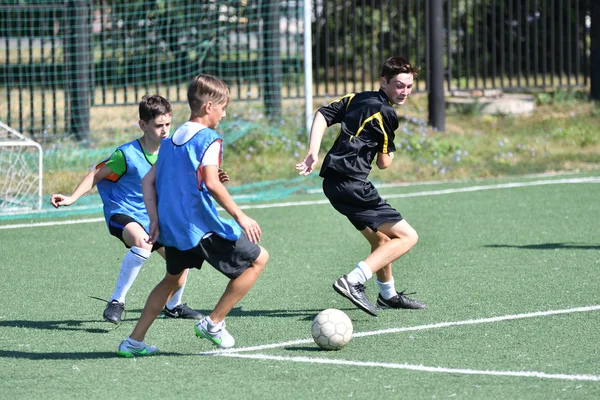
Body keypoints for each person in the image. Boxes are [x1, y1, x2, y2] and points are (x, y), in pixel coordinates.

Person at [117, 74, 269, 357]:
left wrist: (154, 219)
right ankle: (214, 323)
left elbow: (149, 181)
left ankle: (133, 341)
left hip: (172, 225)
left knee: (172, 279)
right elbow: (211, 183)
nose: (224, 114)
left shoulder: (171, 137)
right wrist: (240, 216)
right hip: (198, 225)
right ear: (209, 106)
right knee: (259, 259)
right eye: (223, 107)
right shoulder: (209, 138)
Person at [50, 94, 203, 323]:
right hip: (122, 212)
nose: (165, 131)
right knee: (143, 243)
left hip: (152, 216)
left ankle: (173, 305)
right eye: (158, 125)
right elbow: (96, 174)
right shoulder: (127, 155)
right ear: (143, 125)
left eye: (168, 124)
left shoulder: (172, 151)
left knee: (183, 254)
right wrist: (72, 198)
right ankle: (116, 302)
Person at [295, 56, 426, 317]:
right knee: (409, 237)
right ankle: (354, 280)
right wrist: (385, 149)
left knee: (382, 240)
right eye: (399, 85)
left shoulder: (356, 97)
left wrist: (313, 150)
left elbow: (322, 114)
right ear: (384, 82)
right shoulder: (387, 113)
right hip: (352, 185)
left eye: (409, 86)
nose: (405, 92)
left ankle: (387, 295)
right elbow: (384, 163)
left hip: (333, 183)